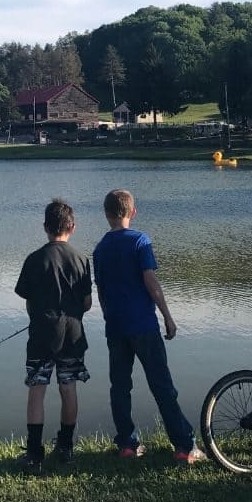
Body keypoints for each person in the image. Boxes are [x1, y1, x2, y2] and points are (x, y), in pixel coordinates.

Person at [93, 189, 205, 465]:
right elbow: (151, 282)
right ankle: (184, 446)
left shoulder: (100, 248)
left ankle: (127, 445)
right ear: (133, 212)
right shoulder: (140, 241)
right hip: (143, 325)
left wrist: (109, 317)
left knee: (120, 387)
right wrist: (168, 315)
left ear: (106, 214)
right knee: (162, 385)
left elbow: (102, 292)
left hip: (115, 327)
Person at [14, 198, 93, 473]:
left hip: (41, 335)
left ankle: (34, 455)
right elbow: (87, 304)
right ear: (72, 227)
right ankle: (66, 447)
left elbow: (28, 302)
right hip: (72, 334)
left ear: (45, 227)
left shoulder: (34, 259)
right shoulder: (82, 259)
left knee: (37, 391)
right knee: (68, 388)